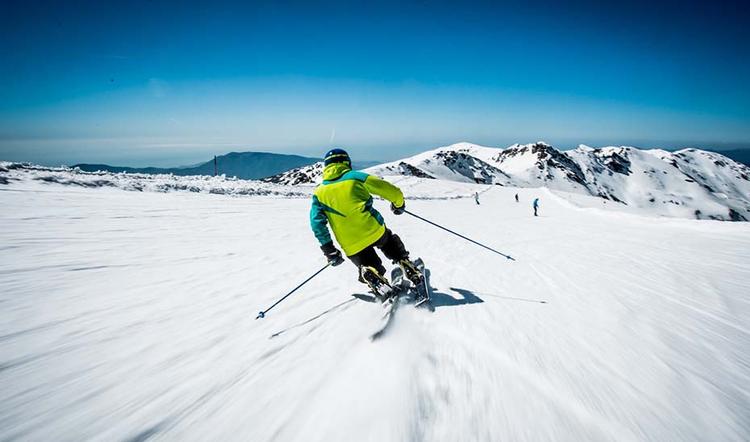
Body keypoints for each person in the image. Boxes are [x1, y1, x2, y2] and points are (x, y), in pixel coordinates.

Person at [310, 148, 421, 298]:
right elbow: (390, 190)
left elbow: (317, 223)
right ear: (346, 162)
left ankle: (371, 273)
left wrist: (329, 249)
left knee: (367, 262)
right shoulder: (355, 177)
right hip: (373, 229)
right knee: (388, 241)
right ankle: (403, 260)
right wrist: (398, 204)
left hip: (350, 244)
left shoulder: (319, 193)